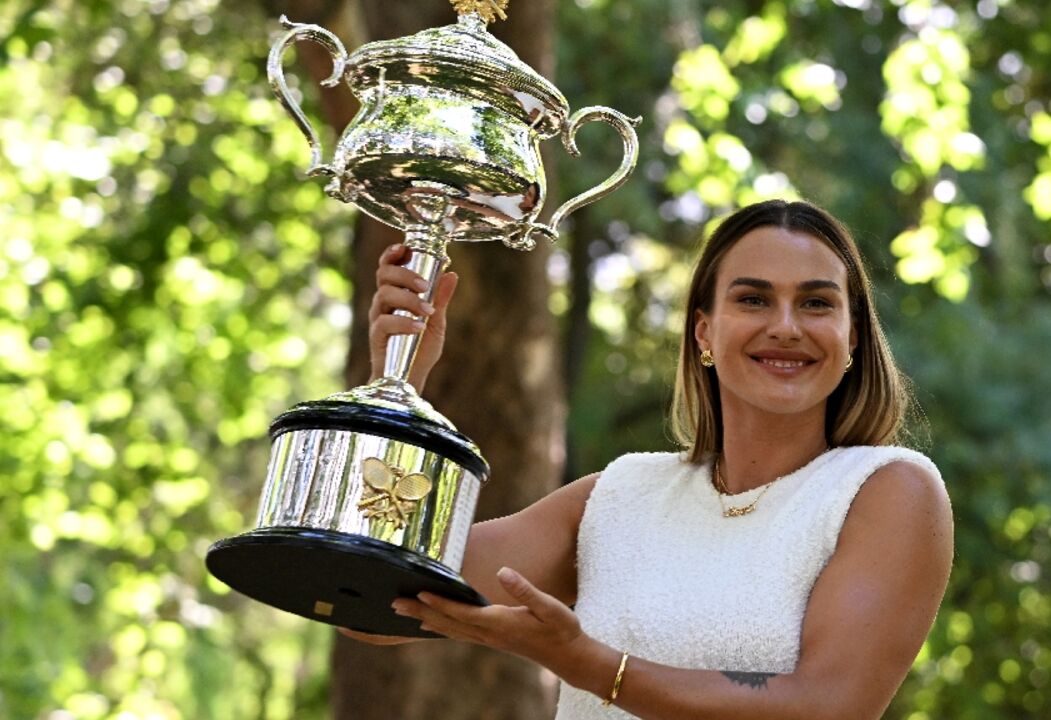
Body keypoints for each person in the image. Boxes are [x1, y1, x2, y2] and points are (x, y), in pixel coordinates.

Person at [349, 199, 954, 719]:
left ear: (851, 337)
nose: (786, 327)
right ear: (704, 333)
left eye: (817, 303)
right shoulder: (620, 494)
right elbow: (369, 602)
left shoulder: (886, 490)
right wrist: (398, 386)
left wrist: (587, 664)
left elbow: (825, 707)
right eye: (753, 300)